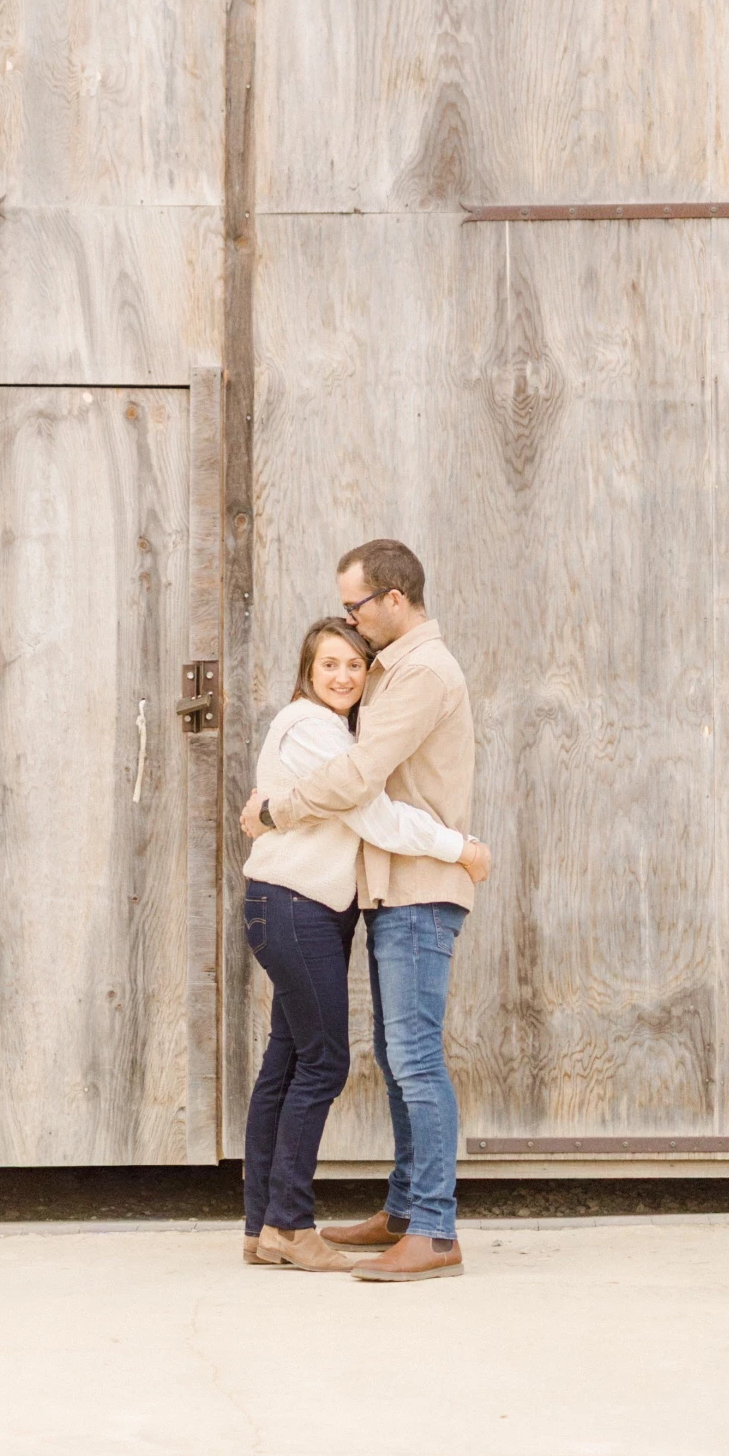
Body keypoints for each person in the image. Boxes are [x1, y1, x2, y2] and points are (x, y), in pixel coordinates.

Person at [242, 540, 479, 1284]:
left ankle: (431, 1228)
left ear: (393, 599)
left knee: (410, 1059)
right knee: (385, 1055)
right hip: (386, 889)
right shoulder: (384, 677)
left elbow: (359, 783)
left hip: (418, 885)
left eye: (356, 607)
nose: (351, 621)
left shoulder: (420, 673)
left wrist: (275, 809)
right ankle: (401, 1212)